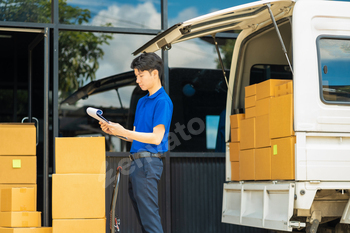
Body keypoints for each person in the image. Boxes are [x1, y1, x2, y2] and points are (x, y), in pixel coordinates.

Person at [100, 52, 173, 233]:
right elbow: (133, 136)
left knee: (150, 220)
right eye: (136, 76)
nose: (137, 80)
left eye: (140, 75)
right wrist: (114, 131)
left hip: (148, 164)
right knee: (143, 219)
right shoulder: (141, 102)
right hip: (136, 163)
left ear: (154, 73)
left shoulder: (163, 101)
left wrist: (124, 131)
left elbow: (156, 137)